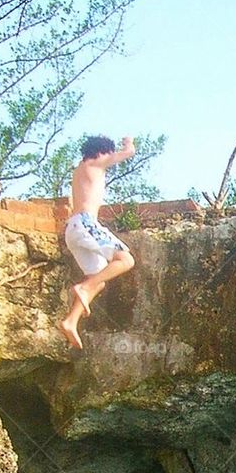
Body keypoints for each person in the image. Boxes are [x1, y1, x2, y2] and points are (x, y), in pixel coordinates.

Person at [59, 135, 136, 349]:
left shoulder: (81, 169)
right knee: (126, 260)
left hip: (74, 230)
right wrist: (128, 142)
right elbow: (129, 153)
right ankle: (84, 288)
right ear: (102, 151)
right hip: (85, 224)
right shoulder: (94, 162)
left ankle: (70, 321)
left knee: (98, 280)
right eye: (108, 152)